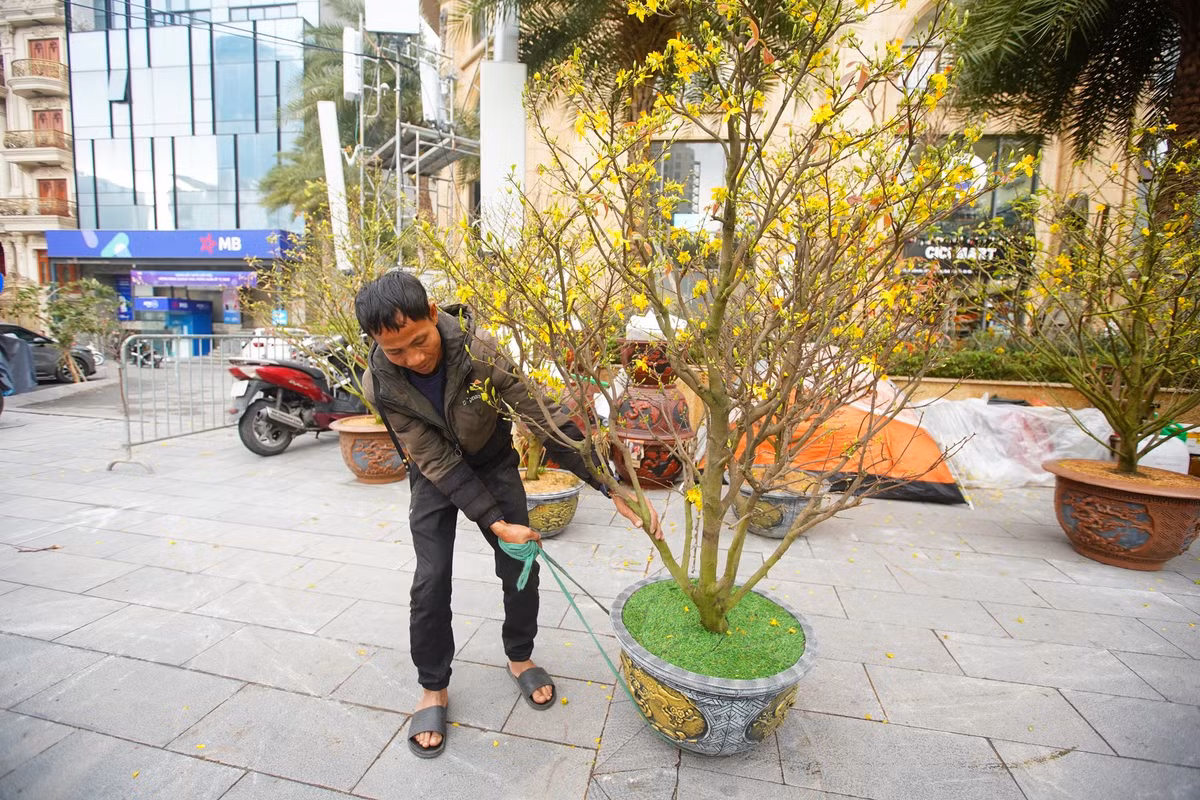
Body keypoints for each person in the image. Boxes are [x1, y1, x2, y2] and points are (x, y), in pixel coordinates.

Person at [357, 270, 661, 759]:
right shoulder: (381, 384)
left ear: (432, 314)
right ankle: (433, 686)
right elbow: (434, 458)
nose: (413, 358)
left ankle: (520, 656)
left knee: (521, 565)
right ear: (376, 343)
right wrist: (495, 522)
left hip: (493, 462)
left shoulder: (481, 351)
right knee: (430, 579)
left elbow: (543, 414)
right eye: (396, 351)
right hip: (435, 475)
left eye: (419, 342)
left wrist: (608, 485)